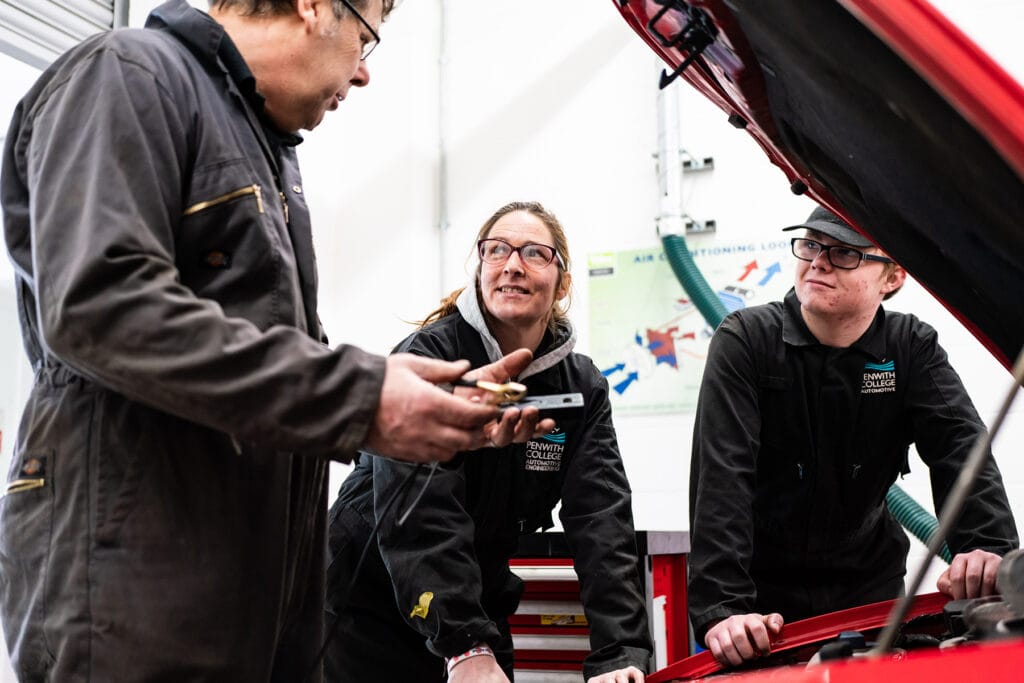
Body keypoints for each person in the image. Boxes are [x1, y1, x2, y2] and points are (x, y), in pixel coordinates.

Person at [0, 1, 550, 680]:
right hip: (134, 601)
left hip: (251, 604)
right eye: (367, 35)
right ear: (316, 6)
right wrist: (361, 397)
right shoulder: (127, 76)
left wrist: (407, 405)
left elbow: (256, 366)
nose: (365, 72)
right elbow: (99, 304)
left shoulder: (264, 151)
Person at [323, 201, 652, 682]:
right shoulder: (432, 359)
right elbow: (421, 510)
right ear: (480, 269)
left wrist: (619, 653)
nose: (513, 265)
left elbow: (602, 520)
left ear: (561, 283)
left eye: (535, 253)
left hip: (475, 605)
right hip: (368, 607)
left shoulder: (581, 387)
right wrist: (465, 646)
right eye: (497, 250)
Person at [688, 206, 1019, 667]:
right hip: (760, 603)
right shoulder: (747, 341)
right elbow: (722, 477)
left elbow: (961, 448)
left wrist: (989, 549)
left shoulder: (910, 347)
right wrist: (723, 608)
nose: (818, 262)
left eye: (844, 253)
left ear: (893, 278)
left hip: (867, 588)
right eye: (810, 245)